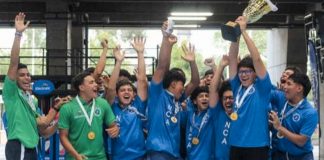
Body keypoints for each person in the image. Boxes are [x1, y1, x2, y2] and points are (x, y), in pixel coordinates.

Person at [3, 12, 67, 159]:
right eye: (22, 75)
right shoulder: (11, 94)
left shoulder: (32, 100)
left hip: (32, 148)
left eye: (28, 75)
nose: (27, 77)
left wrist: (58, 122)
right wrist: (18, 34)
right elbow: (13, 64)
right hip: (19, 146)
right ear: (14, 79)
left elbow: (43, 129)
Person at [146, 21, 199, 160]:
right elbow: (162, 67)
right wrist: (165, 39)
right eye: (182, 85)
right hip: (158, 153)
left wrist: (193, 62)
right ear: (173, 84)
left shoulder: (178, 100)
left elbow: (195, 82)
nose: (184, 89)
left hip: (175, 155)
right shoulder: (158, 94)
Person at [227, 16, 272, 160]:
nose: (243, 75)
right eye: (241, 72)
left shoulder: (262, 88)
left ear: (255, 74)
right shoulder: (236, 87)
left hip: (257, 146)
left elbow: (257, 59)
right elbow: (232, 59)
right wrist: (236, 34)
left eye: (248, 71)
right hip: (236, 144)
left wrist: (244, 32)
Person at [58, 71, 119, 160]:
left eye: (95, 82)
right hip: (75, 157)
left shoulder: (103, 104)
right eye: (91, 82)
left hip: (100, 157)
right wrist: (76, 155)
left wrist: (115, 129)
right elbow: (63, 136)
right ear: (81, 87)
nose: (96, 85)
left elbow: (113, 126)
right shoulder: (67, 108)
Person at [104, 37, 147, 160]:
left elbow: (143, 81)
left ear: (134, 94)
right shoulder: (111, 108)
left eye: (129, 90)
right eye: (122, 90)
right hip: (117, 157)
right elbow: (111, 89)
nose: (126, 92)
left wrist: (140, 53)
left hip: (139, 156)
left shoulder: (138, 106)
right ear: (117, 95)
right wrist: (118, 62)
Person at [185, 55, 228, 160]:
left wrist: (215, 66)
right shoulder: (189, 112)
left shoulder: (213, 112)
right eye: (201, 96)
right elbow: (188, 92)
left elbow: (220, 88)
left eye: (207, 96)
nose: (205, 98)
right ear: (195, 101)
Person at [269, 73, 318, 160]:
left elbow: (301, 141)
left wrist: (279, 127)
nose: (284, 86)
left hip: (301, 157)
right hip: (280, 155)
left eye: (289, 84)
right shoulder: (281, 97)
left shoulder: (310, 113)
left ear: (299, 88)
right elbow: (264, 89)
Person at [214, 80, 234, 160]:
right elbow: (214, 90)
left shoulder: (244, 116)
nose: (228, 101)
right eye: (225, 98)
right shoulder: (218, 114)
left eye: (231, 98)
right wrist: (220, 67)